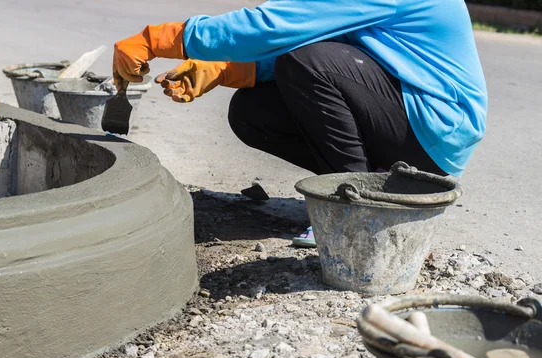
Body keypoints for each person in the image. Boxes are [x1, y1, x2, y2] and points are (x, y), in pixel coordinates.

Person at [112, 0, 487, 248]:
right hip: (404, 122)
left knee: (305, 63)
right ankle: (368, 186)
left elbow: (274, 28)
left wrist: (157, 39)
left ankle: (354, 213)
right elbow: (332, 45)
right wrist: (228, 70)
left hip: (432, 132)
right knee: (252, 111)